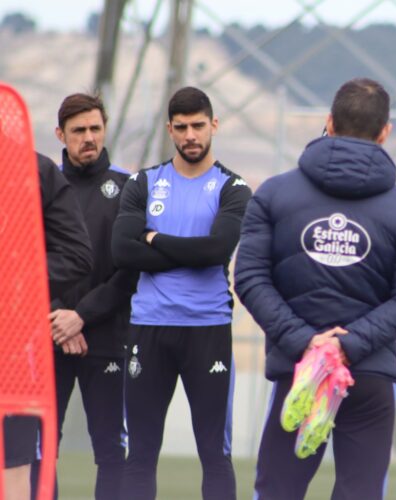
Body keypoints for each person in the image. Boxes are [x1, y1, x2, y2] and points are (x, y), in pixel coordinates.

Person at [234, 77, 396, 500]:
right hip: (370, 374)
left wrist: (308, 343)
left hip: (298, 372)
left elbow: (250, 278)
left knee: (276, 492)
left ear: (328, 122)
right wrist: (350, 345)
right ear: (385, 132)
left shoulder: (273, 193)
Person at [111, 86, 251, 500]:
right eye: (182, 127)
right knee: (140, 454)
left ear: (214, 126)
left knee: (214, 453)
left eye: (199, 126)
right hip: (148, 328)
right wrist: (189, 251)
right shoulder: (144, 182)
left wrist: (151, 238)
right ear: (169, 129)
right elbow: (122, 251)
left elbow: (216, 251)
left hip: (207, 329)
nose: (191, 135)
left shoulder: (233, 187)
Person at [36, 93, 136, 500]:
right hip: (48, 336)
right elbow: (25, 262)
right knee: (42, 449)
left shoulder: (128, 189)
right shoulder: (39, 189)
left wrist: (82, 316)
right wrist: (59, 317)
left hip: (108, 337)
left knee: (112, 450)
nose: (89, 138)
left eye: (95, 128)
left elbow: (130, 269)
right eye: (79, 131)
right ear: (61, 134)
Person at [4, 152, 93, 500]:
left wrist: (14, 279)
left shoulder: (33, 169)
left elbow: (76, 254)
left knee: (14, 469)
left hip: (11, 348)